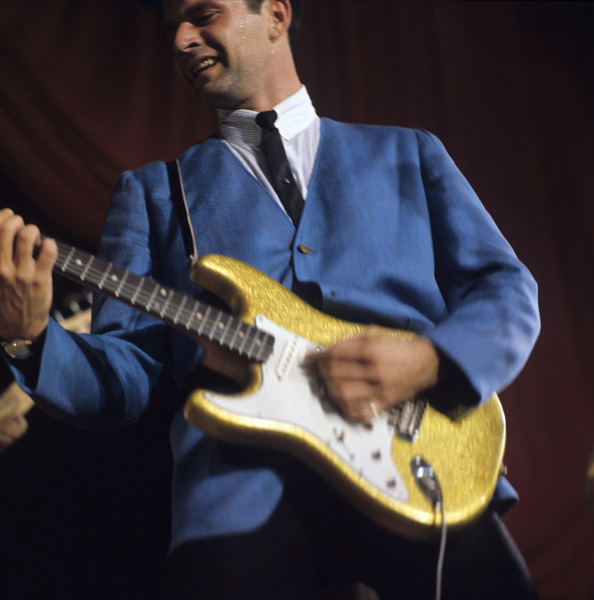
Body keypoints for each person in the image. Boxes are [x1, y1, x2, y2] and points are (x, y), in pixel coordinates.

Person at [0, 0, 540, 598]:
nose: (182, 38)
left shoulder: (408, 153)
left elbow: (507, 288)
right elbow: (124, 382)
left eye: (203, 14)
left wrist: (431, 362)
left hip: (420, 457)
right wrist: (31, 337)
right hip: (238, 487)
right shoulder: (153, 194)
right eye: (171, 27)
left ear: (276, 16)